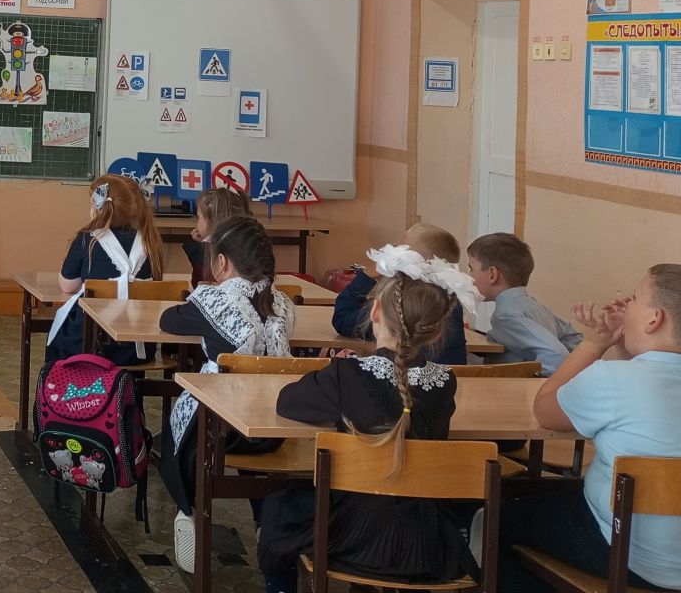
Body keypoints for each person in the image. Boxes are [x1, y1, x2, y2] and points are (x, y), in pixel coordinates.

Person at [497, 264, 681, 593]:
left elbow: (545, 411)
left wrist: (592, 344)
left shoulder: (609, 379)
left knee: (495, 520)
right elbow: (637, 389)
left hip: (635, 557)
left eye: (635, 297)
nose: (625, 303)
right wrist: (626, 342)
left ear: (654, 319)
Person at [257, 261, 481, 592]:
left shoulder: (348, 375)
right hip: (425, 542)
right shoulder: (446, 383)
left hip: (348, 535)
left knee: (279, 504)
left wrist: (335, 374)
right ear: (436, 331)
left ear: (374, 311)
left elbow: (287, 402)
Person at [160, 216, 294, 574]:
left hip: (219, 429)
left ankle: (188, 509)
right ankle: (266, 520)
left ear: (221, 263)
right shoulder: (282, 304)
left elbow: (169, 321)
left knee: (176, 431)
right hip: (271, 429)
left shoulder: (215, 300)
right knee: (257, 460)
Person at [45, 174, 164, 368]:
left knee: (57, 334)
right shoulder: (151, 241)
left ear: (96, 206)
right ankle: (125, 386)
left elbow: (67, 286)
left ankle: (65, 385)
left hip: (89, 344)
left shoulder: (87, 240)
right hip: (137, 348)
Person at [332, 223, 468, 363]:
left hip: (398, 375)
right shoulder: (450, 303)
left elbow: (342, 320)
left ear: (406, 260)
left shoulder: (398, 299)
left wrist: (367, 275)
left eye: (398, 249)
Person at [467, 232, 581, 374]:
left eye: (471, 269)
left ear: (492, 275)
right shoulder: (535, 306)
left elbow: (557, 356)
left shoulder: (506, 315)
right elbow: (574, 340)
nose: (468, 275)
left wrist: (527, 378)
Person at [180, 185, 252, 286]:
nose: (197, 222)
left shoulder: (219, 253)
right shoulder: (246, 242)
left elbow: (200, 282)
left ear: (212, 220)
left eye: (199, 217)